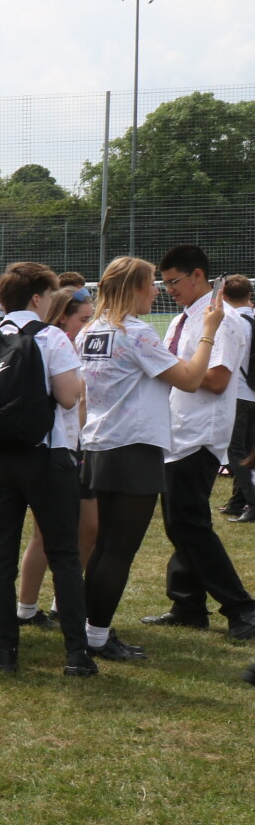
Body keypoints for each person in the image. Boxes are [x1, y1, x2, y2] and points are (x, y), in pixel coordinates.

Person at [77, 255, 224, 661]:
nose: (157, 291)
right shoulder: (136, 333)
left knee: (106, 546)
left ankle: (90, 632)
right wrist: (209, 332)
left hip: (100, 445)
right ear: (133, 288)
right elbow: (191, 380)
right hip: (134, 447)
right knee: (119, 550)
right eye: (151, 284)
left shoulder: (90, 330)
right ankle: (96, 637)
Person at [0, 263, 91, 675]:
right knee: (63, 554)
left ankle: (5, 651)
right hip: (46, 457)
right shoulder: (51, 337)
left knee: (0, 557)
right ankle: (76, 654)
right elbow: (68, 398)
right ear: (37, 298)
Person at [142, 246, 255, 639]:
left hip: (199, 432)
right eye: (164, 283)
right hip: (176, 430)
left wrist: (164, 367)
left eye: (174, 281)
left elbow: (218, 380)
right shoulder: (182, 318)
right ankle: (187, 604)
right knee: (181, 523)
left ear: (197, 275)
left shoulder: (222, 319)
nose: (169, 289)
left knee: (188, 524)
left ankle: (241, 608)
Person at [17, 285, 99, 626]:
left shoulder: (86, 346)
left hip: (83, 445)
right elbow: (69, 400)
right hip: (56, 448)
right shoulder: (50, 343)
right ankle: (26, 609)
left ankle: (62, 602)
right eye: (84, 319)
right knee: (45, 534)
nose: (89, 325)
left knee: (89, 528)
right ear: (63, 317)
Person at [223, 275, 255, 523]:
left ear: (224, 296)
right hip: (252, 394)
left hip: (239, 393)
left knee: (235, 449)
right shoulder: (252, 319)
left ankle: (252, 501)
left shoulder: (232, 323)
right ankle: (237, 502)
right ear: (249, 294)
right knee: (248, 449)